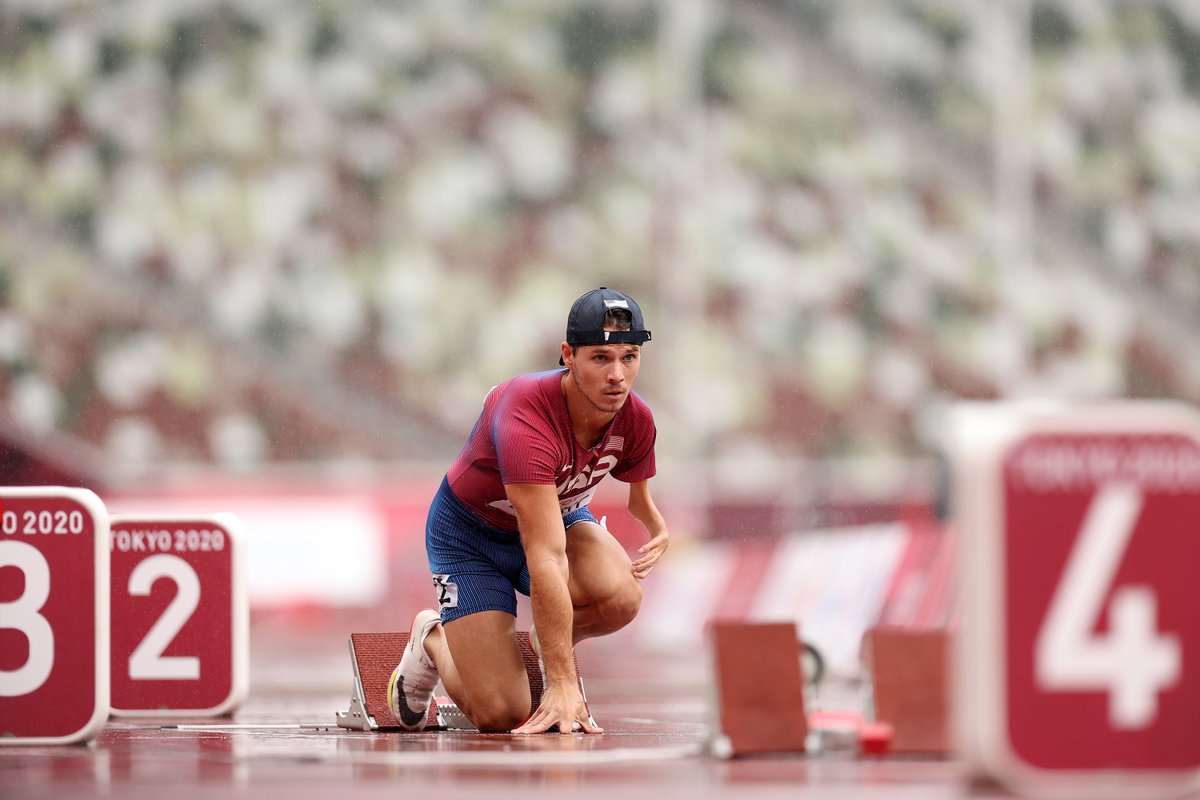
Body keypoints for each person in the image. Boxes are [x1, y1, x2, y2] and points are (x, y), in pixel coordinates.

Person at [387, 287, 670, 735]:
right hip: (472, 538)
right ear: (568, 356)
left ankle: (546, 640)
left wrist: (657, 526)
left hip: (556, 519)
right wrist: (561, 683)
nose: (618, 375)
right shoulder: (525, 412)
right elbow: (547, 557)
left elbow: (639, 496)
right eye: (601, 358)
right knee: (501, 714)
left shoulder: (637, 418)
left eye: (629, 356)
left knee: (622, 596)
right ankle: (433, 637)